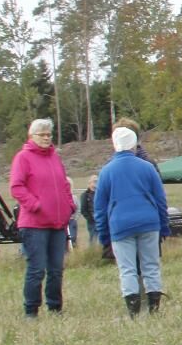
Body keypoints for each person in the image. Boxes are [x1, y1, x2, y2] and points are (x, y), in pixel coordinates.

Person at [95, 125, 172, 315]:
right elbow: (161, 200)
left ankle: (133, 310)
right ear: (134, 145)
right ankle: (153, 307)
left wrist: (104, 237)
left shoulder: (106, 172)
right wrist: (164, 227)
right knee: (151, 265)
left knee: (127, 269)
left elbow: (99, 208)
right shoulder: (147, 167)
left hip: (120, 226)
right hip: (148, 222)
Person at [9, 118, 77, 317]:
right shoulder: (23, 158)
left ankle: (55, 307)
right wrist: (35, 205)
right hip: (34, 224)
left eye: (49, 134)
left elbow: (64, 185)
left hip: (57, 223)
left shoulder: (55, 158)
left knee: (56, 269)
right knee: (37, 269)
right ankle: (31, 310)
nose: (47, 138)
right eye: (42, 135)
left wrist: (69, 205)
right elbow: (16, 187)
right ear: (32, 137)